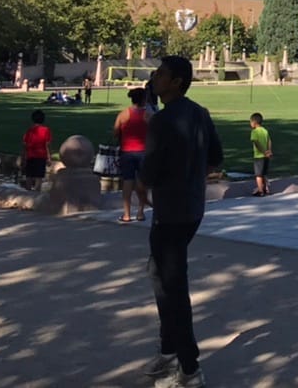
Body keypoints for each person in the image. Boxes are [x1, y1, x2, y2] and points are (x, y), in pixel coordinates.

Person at [141, 55, 223, 388]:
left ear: (176, 82)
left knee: (173, 286)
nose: (155, 78)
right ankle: (169, 348)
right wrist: (193, 177)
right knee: (158, 272)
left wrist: (147, 189)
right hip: (192, 208)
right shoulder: (200, 114)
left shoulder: (161, 122)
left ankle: (189, 367)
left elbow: (148, 170)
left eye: (160, 74)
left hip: (170, 211)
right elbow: (216, 158)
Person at [114, 88, 151, 222]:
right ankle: (140, 211)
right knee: (142, 183)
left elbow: (116, 132)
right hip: (143, 152)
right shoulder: (148, 115)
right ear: (144, 99)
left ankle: (126, 214)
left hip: (127, 152)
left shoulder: (123, 114)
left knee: (127, 182)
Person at [21, 109, 53, 190]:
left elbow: (25, 145)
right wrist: (49, 158)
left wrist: (23, 158)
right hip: (41, 156)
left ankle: (27, 193)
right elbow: (47, 145)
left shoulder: (29, 131)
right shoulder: (46, 130)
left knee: (29, 176)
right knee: (39, 177)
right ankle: (36, 193)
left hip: (30, 156)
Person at [249, 112, 272, 196]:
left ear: (254, 122)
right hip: (266, 156)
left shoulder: (254, 132)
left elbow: (256, 143)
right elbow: (269, 141)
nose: (250, 124)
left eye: (250, 122)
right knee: (264, 174)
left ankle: (260, 190)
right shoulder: (265, 130)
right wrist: (269, 150)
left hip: (259, 156)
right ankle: (266, 189)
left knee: (258, 175)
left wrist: (263, 151)